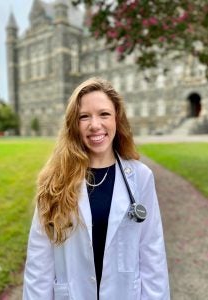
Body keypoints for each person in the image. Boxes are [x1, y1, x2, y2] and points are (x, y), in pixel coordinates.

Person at [23, 77, 170, 300]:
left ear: (117, 120)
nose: (95, 125)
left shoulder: (140, 178)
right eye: (84, 116)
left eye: (104, 114)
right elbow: (39, 261)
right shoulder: (55, 180)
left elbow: (152, 254)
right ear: (74, 124)